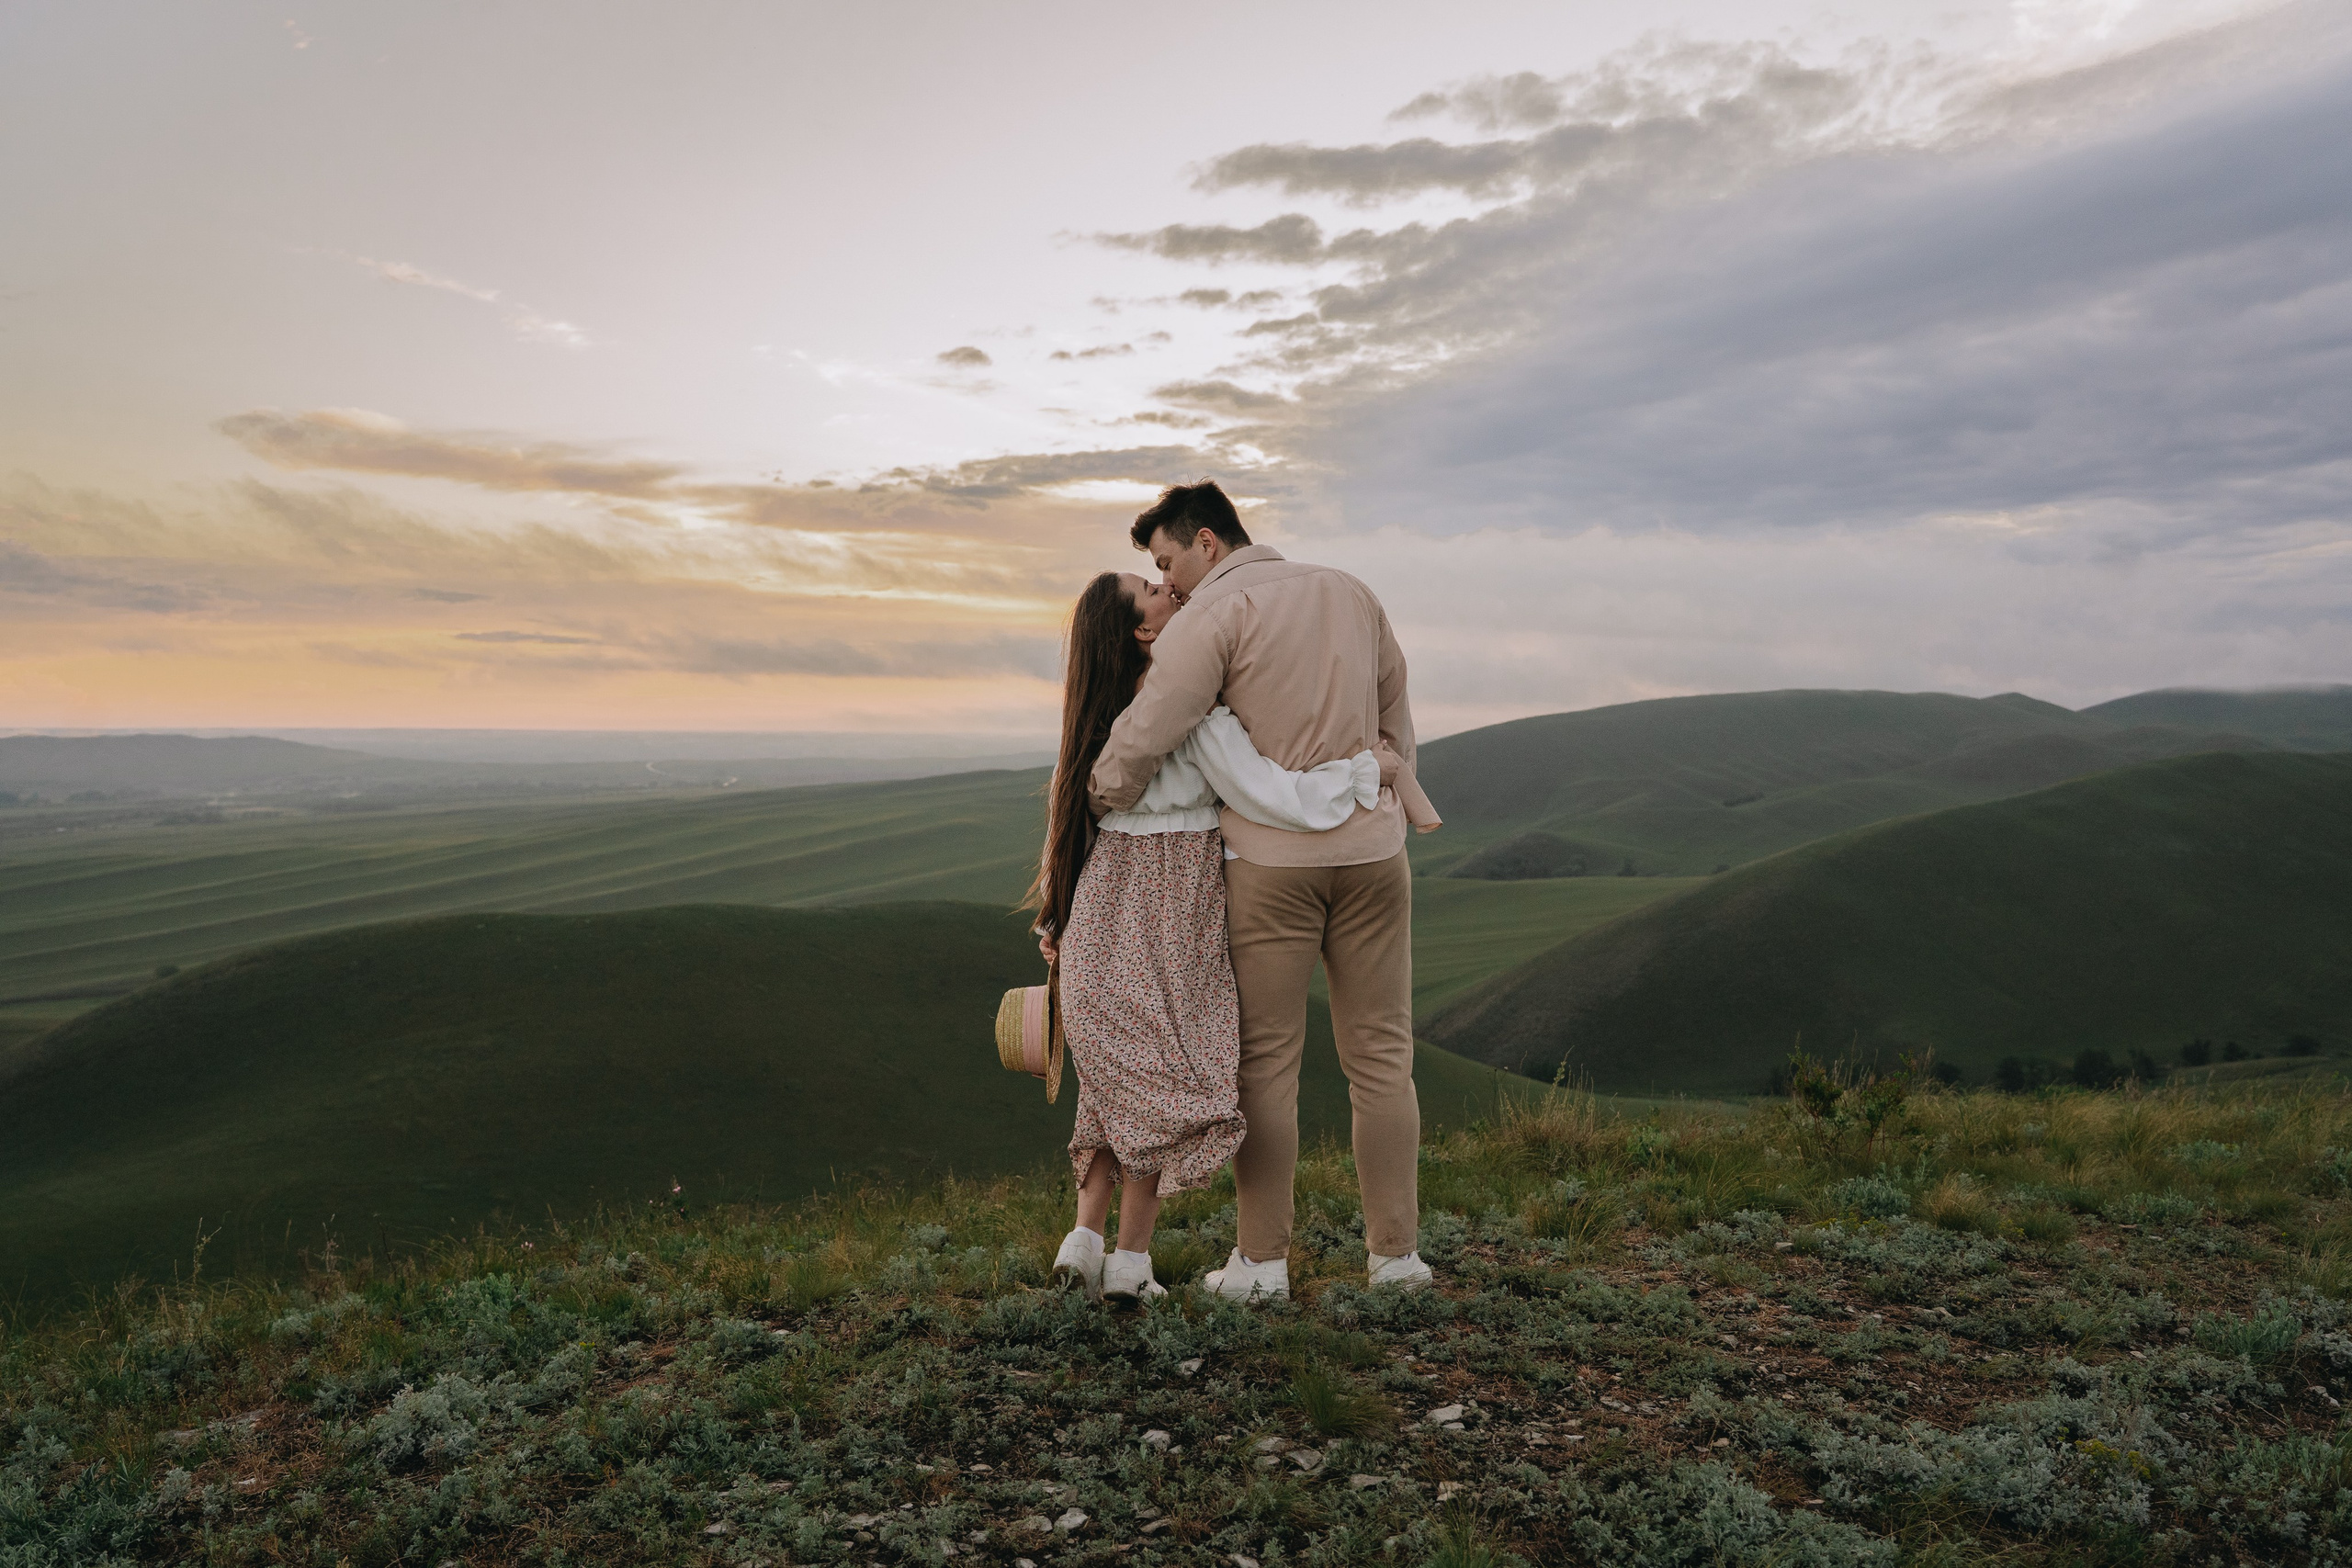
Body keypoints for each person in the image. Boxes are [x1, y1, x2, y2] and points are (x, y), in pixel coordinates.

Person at [1090, 480, 1441, 1302]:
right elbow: (1396, 719)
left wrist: (1101, 791)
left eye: (1167, 562)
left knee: (1267, 1066)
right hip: (1373, 855)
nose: (1167, 581)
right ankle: (1396, 1259)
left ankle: (1261, 1265)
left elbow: (1153, 725)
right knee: (1383, 1056)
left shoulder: (1211, 617)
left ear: (1207, 542)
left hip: (1270, 870)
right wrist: (1379, 800)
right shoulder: (1352, 591)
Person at [1029, 570, 1404, 1306]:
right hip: (1176, 903)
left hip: (1104, 898)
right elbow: (1270, 792)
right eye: (1153, 590)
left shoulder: (1098, 715)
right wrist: (1366, 772)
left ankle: (1083, 1239)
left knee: (1119, 1075)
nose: (1171, 591)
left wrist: (1055, 916)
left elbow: (1067, 820)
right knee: (1169, 1073)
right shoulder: (1193, 706)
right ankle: (1129, 1261)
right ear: (1144, 631)